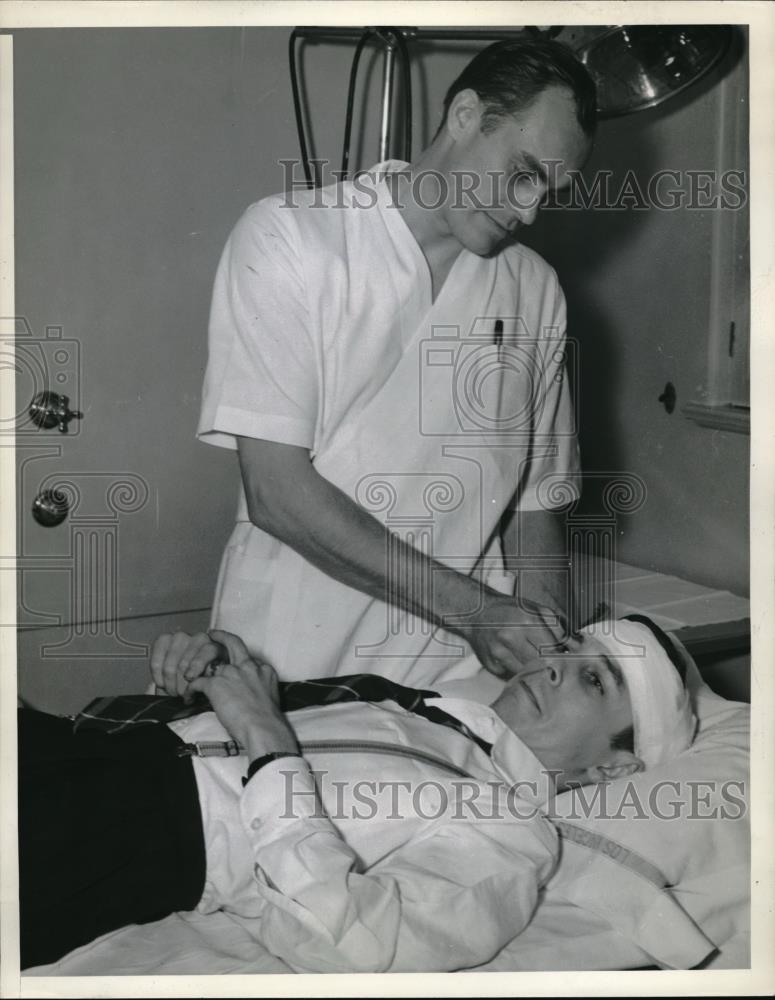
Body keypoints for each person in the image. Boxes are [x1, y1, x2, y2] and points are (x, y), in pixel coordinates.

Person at [197, 38, 597, 686]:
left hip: (458, 679)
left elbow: (533, 506)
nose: (528, 210)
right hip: (291, 661)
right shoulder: (292, 239)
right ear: (465, 115)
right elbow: (275, 492)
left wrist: (548, 662)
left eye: (549, 190)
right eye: (523, 172)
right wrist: (473, 611)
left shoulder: (534, 289)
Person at [19, 615, 697, 972]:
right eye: (568, 649)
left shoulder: (508, 835)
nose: (550, 667)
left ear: (609, 771)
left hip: (125, 836)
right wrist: (215, 663)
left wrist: (267, 746)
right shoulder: (418, 704)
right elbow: (260, 696)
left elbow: (356, 943)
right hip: (81, 743)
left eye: (592, 682)